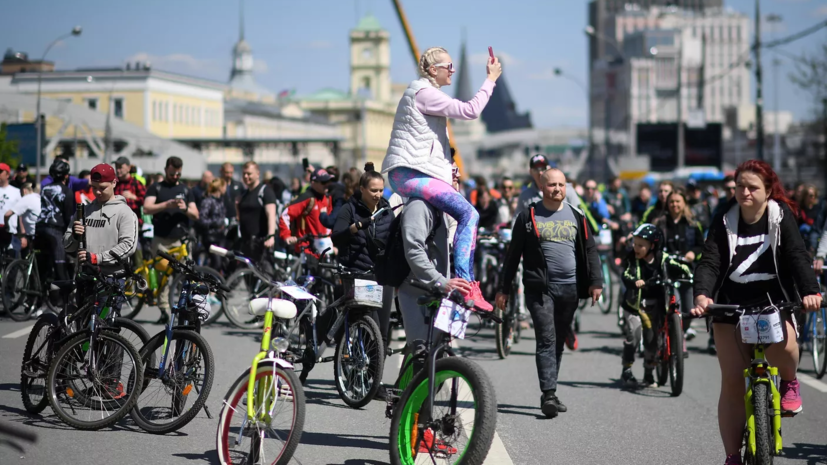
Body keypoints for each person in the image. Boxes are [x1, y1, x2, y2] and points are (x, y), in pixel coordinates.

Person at [690, 160, 821, 465]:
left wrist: (810, 291)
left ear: (768, 190)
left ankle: (789, 381)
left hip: (773, 299)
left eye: (752, 187)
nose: (745, 193)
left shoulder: (779, 215)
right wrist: (702, 295)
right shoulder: (724, 216)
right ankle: (733, 456)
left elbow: (796, 254)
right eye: (740, 187)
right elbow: (710, 259)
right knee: (733, 381)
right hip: (731, 304)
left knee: (787, 345)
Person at [381, 46, 502, 312]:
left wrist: (450, 172)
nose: (453, 70)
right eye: (449, 66)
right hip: (409, 174)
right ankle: (466, 286)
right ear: (433, 70)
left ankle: (451, 286)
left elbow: (431, 145)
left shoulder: (425, 95)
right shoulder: (425, 94)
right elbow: (470, 110)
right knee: (469, 215)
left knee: (450, 220)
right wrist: (490, 80)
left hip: (413, 173)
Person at [495, 168, 603, 418]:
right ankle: (549, 393)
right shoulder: (528, 216)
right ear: (542, 187)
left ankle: (550, 390)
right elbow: (513, 255)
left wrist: (596, 282)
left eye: (562, 185)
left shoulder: (577, 215)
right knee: (546, 338)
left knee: (557, 340)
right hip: (540, 289)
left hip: (571, 289)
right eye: (552, 185)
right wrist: (503, 289)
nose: (557, 189)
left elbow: (590, 250)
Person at [332, 162, 395, 350]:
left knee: (382, 331)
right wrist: (354, 228)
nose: (378, 195)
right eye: (373, 190)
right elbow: (336, 237)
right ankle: (353, 366)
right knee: (363, 324)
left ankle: (374, 375)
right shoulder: (349, 209)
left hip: (383, 275)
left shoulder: (387, 210)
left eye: (381, 190)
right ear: (362, 189)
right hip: (358, 274)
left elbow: (393, 240)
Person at [618, 224, 689, 387]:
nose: (636, 248)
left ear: (653, 246)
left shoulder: (663, 258)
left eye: (641, 245)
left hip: (655, 304)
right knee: (634, 335)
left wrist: (689, 275)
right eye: (635, 244)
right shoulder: (632, 259)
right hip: (634, 306)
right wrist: (635, 282)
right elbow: (625, 274)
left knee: (651, 339)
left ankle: (649, 372)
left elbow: (681, 267)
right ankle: (626, 369)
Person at [64, 163, 138, 312]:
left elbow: (128, 246)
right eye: (94, 187)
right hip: (85, 278)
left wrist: (97, 258)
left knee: (105, 329)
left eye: (102, 188)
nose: (97, 192)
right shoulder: (84, 210)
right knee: (83, 330)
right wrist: (74, 236)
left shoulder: (125, 212)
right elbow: (66, 245)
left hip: (111, 279)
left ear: (114, 183)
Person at [143, 156, 199, 323]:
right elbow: (146, 208)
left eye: (178, 174)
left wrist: (185, 208)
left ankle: (186, 307)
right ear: (166, 169)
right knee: (162, 277)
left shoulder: (186, 190)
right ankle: (164, 311)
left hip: (180, 240)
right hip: (161, 240)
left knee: (187, 275)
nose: (175, 177)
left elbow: (196, 214)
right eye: (173, 173)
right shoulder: (156, 187)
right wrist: (166, 205)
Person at [653, 189, 704, 342]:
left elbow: (701, 245)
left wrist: (693, 254)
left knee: (689, 310)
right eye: (671, 202)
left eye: (677, 202)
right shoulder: (660, 223)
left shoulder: (692, 223)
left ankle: (682, 330)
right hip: (667, 272)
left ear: (684, 204)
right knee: (675, 306)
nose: (674, 205)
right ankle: (668, 334)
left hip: (686, 272)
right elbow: (654, 246)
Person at [34, 160, 74, 285]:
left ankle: (35, 296)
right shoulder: (67, 191)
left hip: (39, 227)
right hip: (54, 230)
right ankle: (65, 300)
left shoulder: (45, 188)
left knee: (42, 264)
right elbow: (68, 216)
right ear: (66, 176)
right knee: (60, 266)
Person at [279, 168, 332, 254]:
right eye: (323, 182)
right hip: (307, 250)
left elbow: (330, 225)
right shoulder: (306, 198)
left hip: (325, 249)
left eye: (328, 182)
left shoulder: (328, 198)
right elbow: (285, 215)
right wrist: (287, 236)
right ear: (313, 183)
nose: (327, 185)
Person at [237, 161, 277, 262]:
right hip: (246, 242)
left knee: (265, 275)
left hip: (260, 243)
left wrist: (271, 236)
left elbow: (271, 215)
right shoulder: (244, 194)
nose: (246, 176)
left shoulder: (265, 192)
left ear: (257, 174)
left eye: (249, 174)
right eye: (244, 174)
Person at [198, 178, 227, 270]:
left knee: (222, 263)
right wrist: (216, 223)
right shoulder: (208, 201)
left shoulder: (220, 201)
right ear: (220, 188)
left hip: (220, 237)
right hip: (210, 237)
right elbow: (202, 220)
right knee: (216, 263)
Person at [6, 183, 39, 258]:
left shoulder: (27, 198)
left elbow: (7, 214)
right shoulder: (39, 197)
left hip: (33, 234)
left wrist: (6, 225)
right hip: (43, 230)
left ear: (24, 191)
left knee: (27, 255)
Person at [113, 156, 146, 222]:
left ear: (128, 168)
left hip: (133, 221)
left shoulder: (136, 183)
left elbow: (146, 201)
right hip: (116, 221)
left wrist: (134, 197)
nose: (118, 170)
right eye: (116, 167)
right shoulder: (114, 183)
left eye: (120, 167)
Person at [0, 162, 22, 255]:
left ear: (8, 174)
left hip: (11, 231)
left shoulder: (16, 192)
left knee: (11, 260)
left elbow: (21, 213)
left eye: (1, 172)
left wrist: (22, 234)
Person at [220, 162, 245, 241]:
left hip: (234, 217)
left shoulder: (238, 185)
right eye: (227, 173)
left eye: (231, 173)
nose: (229, 175)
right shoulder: (218, 184)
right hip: (221, 218)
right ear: (222, 172)